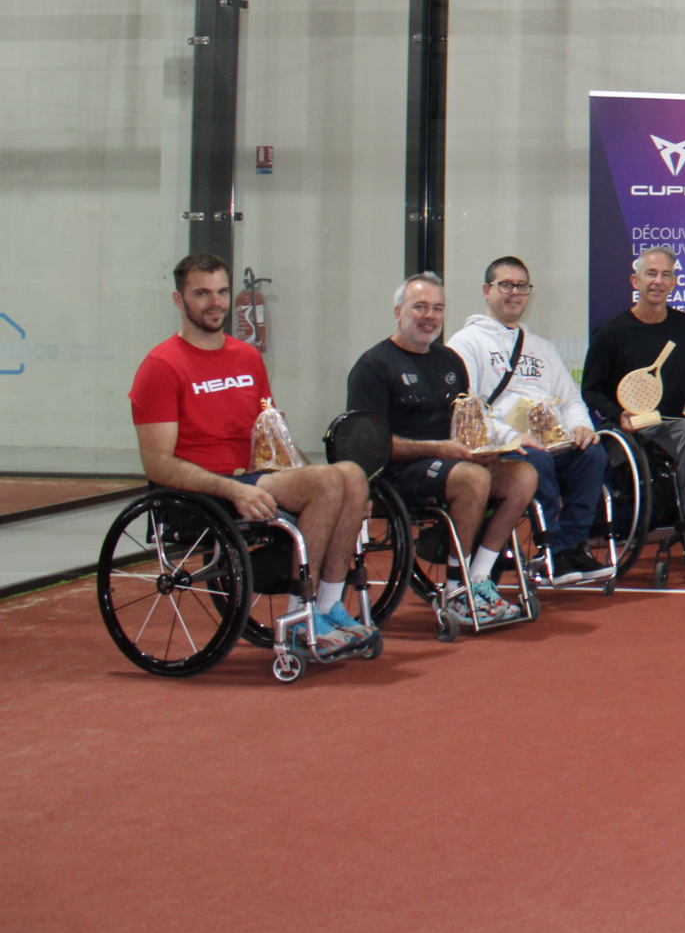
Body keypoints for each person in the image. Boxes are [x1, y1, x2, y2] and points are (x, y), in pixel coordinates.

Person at [130, 253, 376, 658]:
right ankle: (301, 616)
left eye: (222, 291)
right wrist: (232, 489)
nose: (215, 302)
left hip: (256, 476)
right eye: (202, 293)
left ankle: (329, 604)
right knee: (334, 478)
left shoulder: (246, 358)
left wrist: (346, 493)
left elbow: (274, 438)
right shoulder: (161, 366)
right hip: (208, 490)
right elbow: (156, 464)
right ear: (179, 300)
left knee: (350, 476)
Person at [352, 273, 535, 623]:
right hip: (398, 470)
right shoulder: (373, 366)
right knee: (472, 479)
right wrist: (440, 448)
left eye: (437, 308)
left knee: (523, 475)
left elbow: (464, 424)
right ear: (397, 311)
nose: (429, 316)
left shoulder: (449, 361)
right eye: (419, 307)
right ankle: (455, 590)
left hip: (452, 462)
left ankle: (479, 577)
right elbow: (367, 443)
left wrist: (487, 447)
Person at [450, 256, 612, 584]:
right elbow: (467, 409)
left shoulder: (542, 348)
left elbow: (570, 399)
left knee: (592, 453)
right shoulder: (466, 343)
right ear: (487, 290)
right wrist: (512, 435)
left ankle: (572, 546)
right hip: (503, 447)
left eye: (521, 286)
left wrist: (581, 426)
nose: (515, 293)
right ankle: (550, 547)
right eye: (505, 285)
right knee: (535, 458)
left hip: (550, 440)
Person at [580, 248, 685, 563]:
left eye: (665, 275)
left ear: (675, 282)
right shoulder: (611, 333)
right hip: (639, 426)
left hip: (682, 420)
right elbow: (591, 390)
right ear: (635, 280)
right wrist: (617, 414)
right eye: (650, 274)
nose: (658, 281)